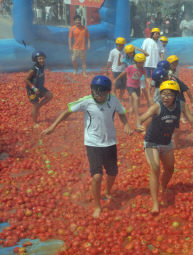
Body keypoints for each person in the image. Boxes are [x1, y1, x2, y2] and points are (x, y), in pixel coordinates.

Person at [41, 75, 132, 218]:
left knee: (113, 172)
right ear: (92, 91)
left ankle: (108, 191)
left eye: (102, 92)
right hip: (92, 143)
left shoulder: (113, 100)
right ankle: (97, 205)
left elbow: (121, 113)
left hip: (110, 142)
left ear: (108, 92)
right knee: (97, 176)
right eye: (96, 92)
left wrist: (126, 124)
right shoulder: (86, 101)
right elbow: (67, 112)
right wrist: (53, 127)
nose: (99, 95)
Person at [136, 80, 193, 214]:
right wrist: (139, 125)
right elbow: (142, 117)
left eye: (169, 95)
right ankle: (155, 203)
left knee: (170, 169)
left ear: (176, 96)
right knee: (155, 168)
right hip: (151, 142)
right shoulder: (157, 106)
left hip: (166, 142)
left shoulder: (181, 106)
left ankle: (163, 187)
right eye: (163, 94)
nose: (165, 97)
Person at [114, 53, 147, 127]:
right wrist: (116, 79)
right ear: (136, 61)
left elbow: (146, 77)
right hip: (130, 86)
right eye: (141, 62)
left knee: (135, 100)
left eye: (143, 62)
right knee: (135, 98)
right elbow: (123, 73)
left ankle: (131, 110)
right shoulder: (130, 67)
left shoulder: (142, 69)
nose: (142, 64)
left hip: (137, 86)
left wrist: (149, 82)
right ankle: (137, 115)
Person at [25, 51, 53, 127]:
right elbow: (26, 80)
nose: (42, 60)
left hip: (40, 87)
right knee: (35, 104)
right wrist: (33, 88)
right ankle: (35, 122)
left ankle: (38, 107)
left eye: (43, 58)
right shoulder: (33, 70)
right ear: (36, 59)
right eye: (40, 59)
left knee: (50, 95)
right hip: (32, 89)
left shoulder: (42, 66)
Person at [167, 55, 193, 123]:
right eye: (174, 63)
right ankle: (182, 116)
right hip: (172, 86)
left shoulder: (176, 68)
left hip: (177, 84)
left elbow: (176, 78)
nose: (176, 64)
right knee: (178, 101)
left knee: (182, 98)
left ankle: (184, 114)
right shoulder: (169, 72)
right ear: (169, 64)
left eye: (176, 62)